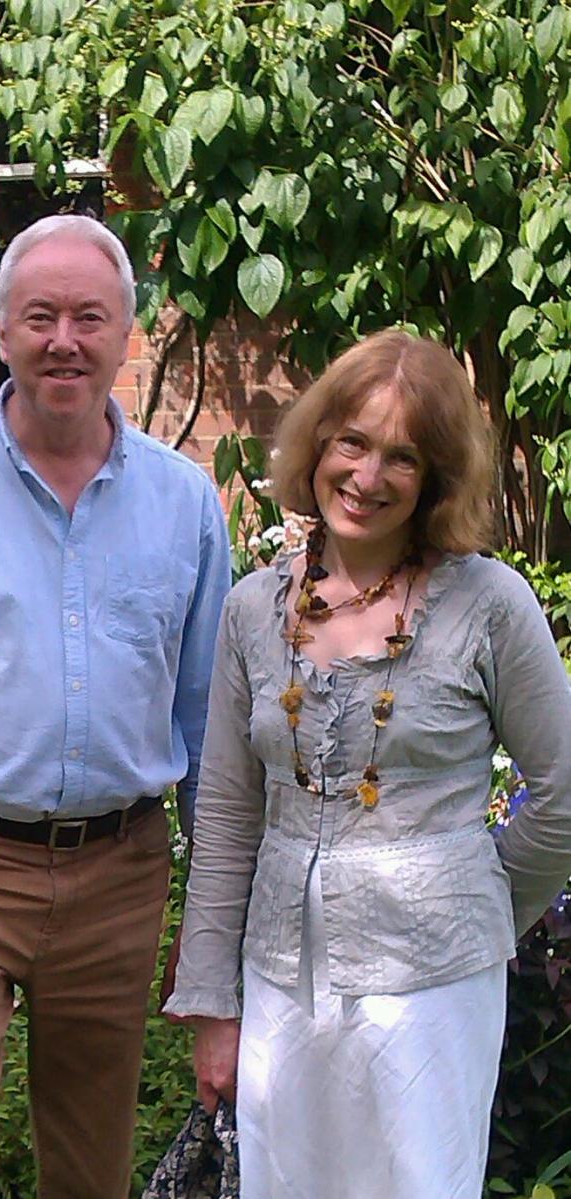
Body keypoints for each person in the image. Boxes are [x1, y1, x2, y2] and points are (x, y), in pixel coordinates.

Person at [163, 330, 571, 1199]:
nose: (367, 475)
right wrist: (213, 1003)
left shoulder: (488, 605)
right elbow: (231, 811)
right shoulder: (252, 609)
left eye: (402, 457)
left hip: (432, 986)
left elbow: (567, 790)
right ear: (317, 443)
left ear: (435, 478)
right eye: (352, 441)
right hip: (280, 982)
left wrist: (480, 898)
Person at [0, 214, 230, 1199]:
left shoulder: (185, 504)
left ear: (129, 333)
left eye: (91, 316)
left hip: (118, 875)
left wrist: (208, 925)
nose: (64, 340)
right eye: (39, 316)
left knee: (92, 1168)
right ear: (2, 332)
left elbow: (212, 729)